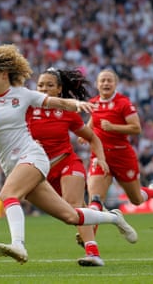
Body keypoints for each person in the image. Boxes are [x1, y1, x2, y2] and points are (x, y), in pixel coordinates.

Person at [0, 44, 138, 264]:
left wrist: (76, 104)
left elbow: (55, 102)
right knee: (70, 216)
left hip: (33, 156)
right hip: (13, 166)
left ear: (3, 74)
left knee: (8, 194)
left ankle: (18, 246)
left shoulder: (22, 94)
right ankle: (114, 218)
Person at [26, 68, 109, 266]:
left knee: (74, 204)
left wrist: (102, 159)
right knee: (69, 217)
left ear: (59, 89)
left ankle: (93, 253)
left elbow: (92, 137)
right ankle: (97, 209)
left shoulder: (67, 112)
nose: (44, 89)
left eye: (49, 85)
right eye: (40, 85)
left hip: (67, 162)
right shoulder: (26, 109)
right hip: (42, 171)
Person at [78, 69, 153, 245]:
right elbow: (94, 121)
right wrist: (86, 132)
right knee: (95, 199)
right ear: (97, 84)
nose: (105, 83)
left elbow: (136, 128)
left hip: (122, 156)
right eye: (102, 80)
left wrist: (113, 127)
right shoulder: (93, 102)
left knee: (135, 199)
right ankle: (90, 243)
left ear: (115, 84)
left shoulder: (124, 103)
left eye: (109, 80)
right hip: (100, 156)